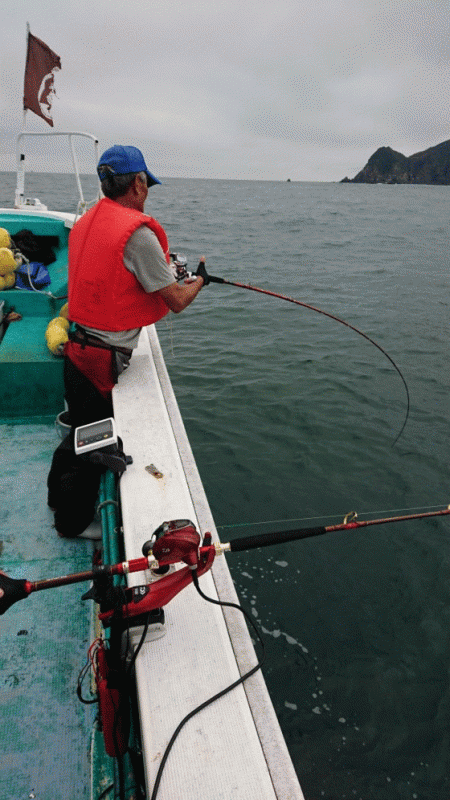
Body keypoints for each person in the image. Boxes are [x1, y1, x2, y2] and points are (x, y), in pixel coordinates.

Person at [48, 144, 211, 536]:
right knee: (91, 444)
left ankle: (59, 498)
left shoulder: (87, 220)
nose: (147, 190)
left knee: (82, 433)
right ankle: (71, 521)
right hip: (100, 359)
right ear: (137, 183)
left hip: (78, 346)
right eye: (146, 183)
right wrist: (199, 281)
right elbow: (175, 301)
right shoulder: (137, 234)